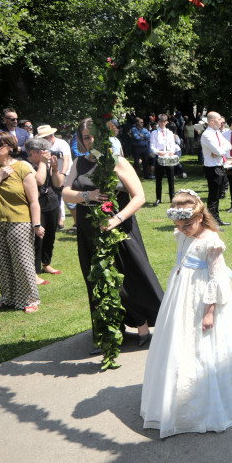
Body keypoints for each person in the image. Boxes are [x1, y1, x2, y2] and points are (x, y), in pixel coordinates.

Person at [140, 191, 232, 437]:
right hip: (181, 293)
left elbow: (217, 280)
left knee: (204, 345)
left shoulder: (211, 241)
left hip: (203, 298)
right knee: (178, 340)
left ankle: (210, 395)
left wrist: (209, 312)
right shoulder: (181, 235)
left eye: (187, 224)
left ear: (200, 216)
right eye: (177, 225)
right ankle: (174, 393)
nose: (182, 229)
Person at [62, 118, 162, 347]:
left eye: (94, 136)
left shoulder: (118, 162)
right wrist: (88, 196)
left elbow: (140, 197)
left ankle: (142, 323)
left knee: (130, 276)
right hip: (89, 230)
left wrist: (116, 219)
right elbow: (66, 192)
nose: (91, 141)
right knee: (97, 279)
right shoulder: (78, 162)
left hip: (119, 226)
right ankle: (110, 330)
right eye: (86, 137)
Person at [0, 132, 43, 313]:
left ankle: (30, 299)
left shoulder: (22, 168)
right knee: (1, 263)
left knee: (22, 261)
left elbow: (34, 200)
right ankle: (7, 298)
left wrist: (36, 224)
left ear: (10, 147)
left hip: (19, 221)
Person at [24, 138, 62, 281]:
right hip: (36, 204)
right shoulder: (25, 164)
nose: (47, 153)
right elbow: (39, 181)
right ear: (33, 152)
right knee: (36, 238)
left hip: (51, 202)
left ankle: (46, 263)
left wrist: (56, 168)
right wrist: (42, 163)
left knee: (50, 235)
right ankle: (33, 270)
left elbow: (58, 184)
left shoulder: (44, 164)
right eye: (43, 151)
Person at [35, 124, 72, 230]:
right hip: (51, 174)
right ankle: (59, 221)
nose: (44, 140)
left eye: (45, 137)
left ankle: (75, 222)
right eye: (42, 138)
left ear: (51, 134)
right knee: (55, 197)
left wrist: (63, 174)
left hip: (64, 173)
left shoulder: (61, 143)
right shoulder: (42, 146)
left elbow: (66, 160)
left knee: (69, 200)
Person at [200, 111, 231, 226]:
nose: (221, 121)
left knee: (218, 195)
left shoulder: (217, 133)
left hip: (219, 166)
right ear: (212, 121)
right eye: (219, 119)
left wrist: (219, 151)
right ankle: (211, 220)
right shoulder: (207, 135)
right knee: (213, 195)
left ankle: (215, 219)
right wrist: (219, 151)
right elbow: (219, 151)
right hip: (212, 168)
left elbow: (228, 146)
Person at [149, 114, 179, 205]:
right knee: (159, 179)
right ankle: (158, 198)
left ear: (167, 122)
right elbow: (152, 146)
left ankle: (172, 198)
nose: (162, 123)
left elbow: (173, 144)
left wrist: (172, 151)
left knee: (171, 178)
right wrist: (158, 152)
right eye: (160, 121)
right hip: (160, 156)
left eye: (164, 121)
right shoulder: (154, 133)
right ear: (158, 122)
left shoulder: (169, 132)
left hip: (169, 156)